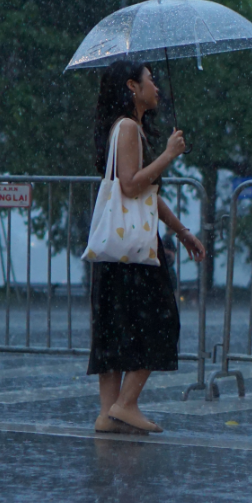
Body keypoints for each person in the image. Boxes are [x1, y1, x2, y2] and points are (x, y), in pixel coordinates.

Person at [88, 60, 206, 433]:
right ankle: (126, 404)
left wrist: (182, 232)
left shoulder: (127, 128)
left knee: (113, 329)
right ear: (131, 87)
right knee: (161, 321)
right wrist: (169, 154)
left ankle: (109, 415)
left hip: (117, 249)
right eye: (149, 81)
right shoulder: (127, 129)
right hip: (134, 252)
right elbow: (131, 185)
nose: (156, 87)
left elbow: (147, 196)